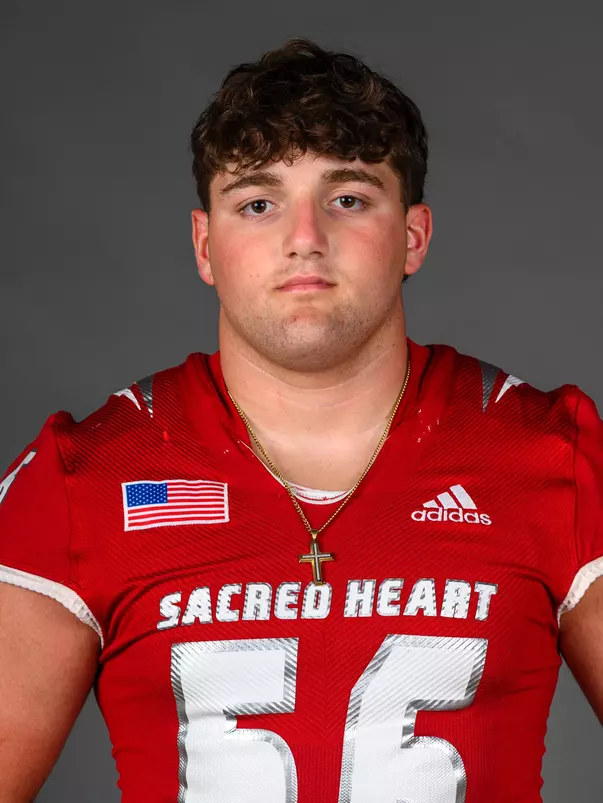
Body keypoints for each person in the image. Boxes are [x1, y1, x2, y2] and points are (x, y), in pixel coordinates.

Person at [0, 37, 601, 803]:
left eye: (347, 198)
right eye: (258, 203)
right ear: (205, 245)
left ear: (412, 235)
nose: (305, 239)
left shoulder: (549, 452)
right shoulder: (84, 476)